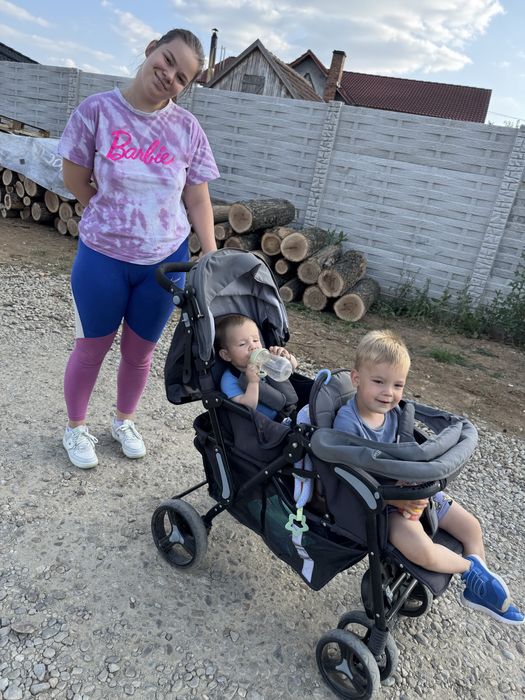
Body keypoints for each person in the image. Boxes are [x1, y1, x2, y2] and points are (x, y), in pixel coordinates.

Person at [58, 28, 219, 469]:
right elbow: (74, 174)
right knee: (91, 349)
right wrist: (104, 212)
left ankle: (123, 420)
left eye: (182, 77)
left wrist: (210, 252)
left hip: (164, 264)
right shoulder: (96, 111)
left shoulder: (187, 128)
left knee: (139, 353)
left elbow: (197, 197)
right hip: (102, 259)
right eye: (167, 60)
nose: (169, 76)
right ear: (151, 50)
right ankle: (75, 427)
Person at [332, 329, 523, 625]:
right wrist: (399, 498)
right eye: (379, 382)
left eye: (398, 385)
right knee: (424, 551)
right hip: (382, 504)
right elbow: (352, 476)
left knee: (470, 527)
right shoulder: (348, 423)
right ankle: (470, 572)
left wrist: (417, 487)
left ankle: (477, 588)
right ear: (356, 379)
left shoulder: (394, 414)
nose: (389, 393)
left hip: (414, 488)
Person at [215, 314, 298, 420]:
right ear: (226, 355)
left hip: (291, 413)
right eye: (242, 344)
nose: (253, 346)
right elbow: (247, 408)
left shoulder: (265, 361)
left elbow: (293, 367)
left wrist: (286, 357)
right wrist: (253, 383)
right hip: (267, 425)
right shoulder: (229, 380)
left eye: (255, 340)